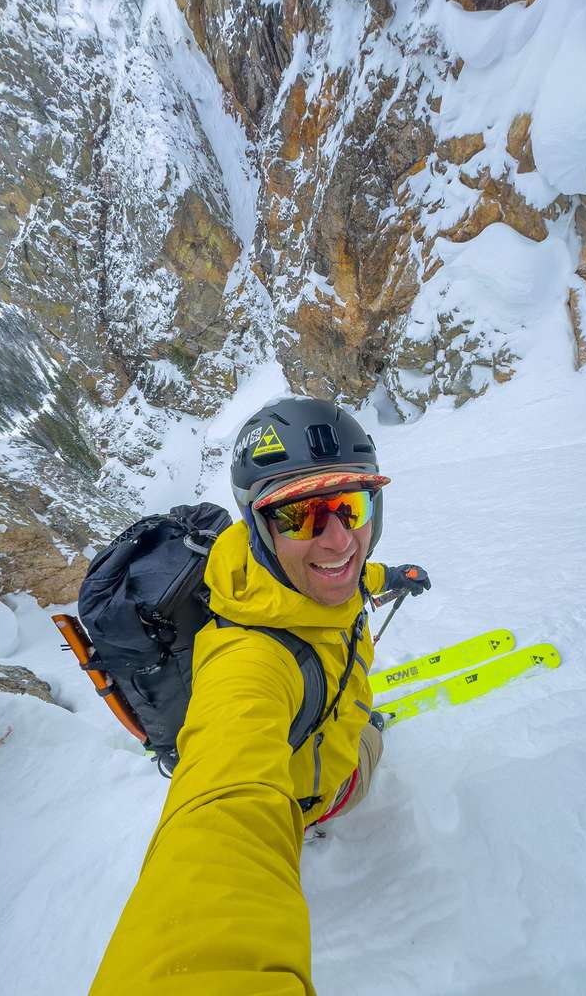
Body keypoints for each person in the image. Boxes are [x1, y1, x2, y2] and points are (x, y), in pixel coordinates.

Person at [90, 396, 431, 996]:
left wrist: (389, 576)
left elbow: (349, 576)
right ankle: (362, 741)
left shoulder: (294, 575)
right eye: (299, 517)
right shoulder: (246, 663)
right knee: (369, 742)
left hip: (319, 736)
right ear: (259, 527)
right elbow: (222, 812)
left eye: (350, 507)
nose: (336, 541)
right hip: (315, 792)